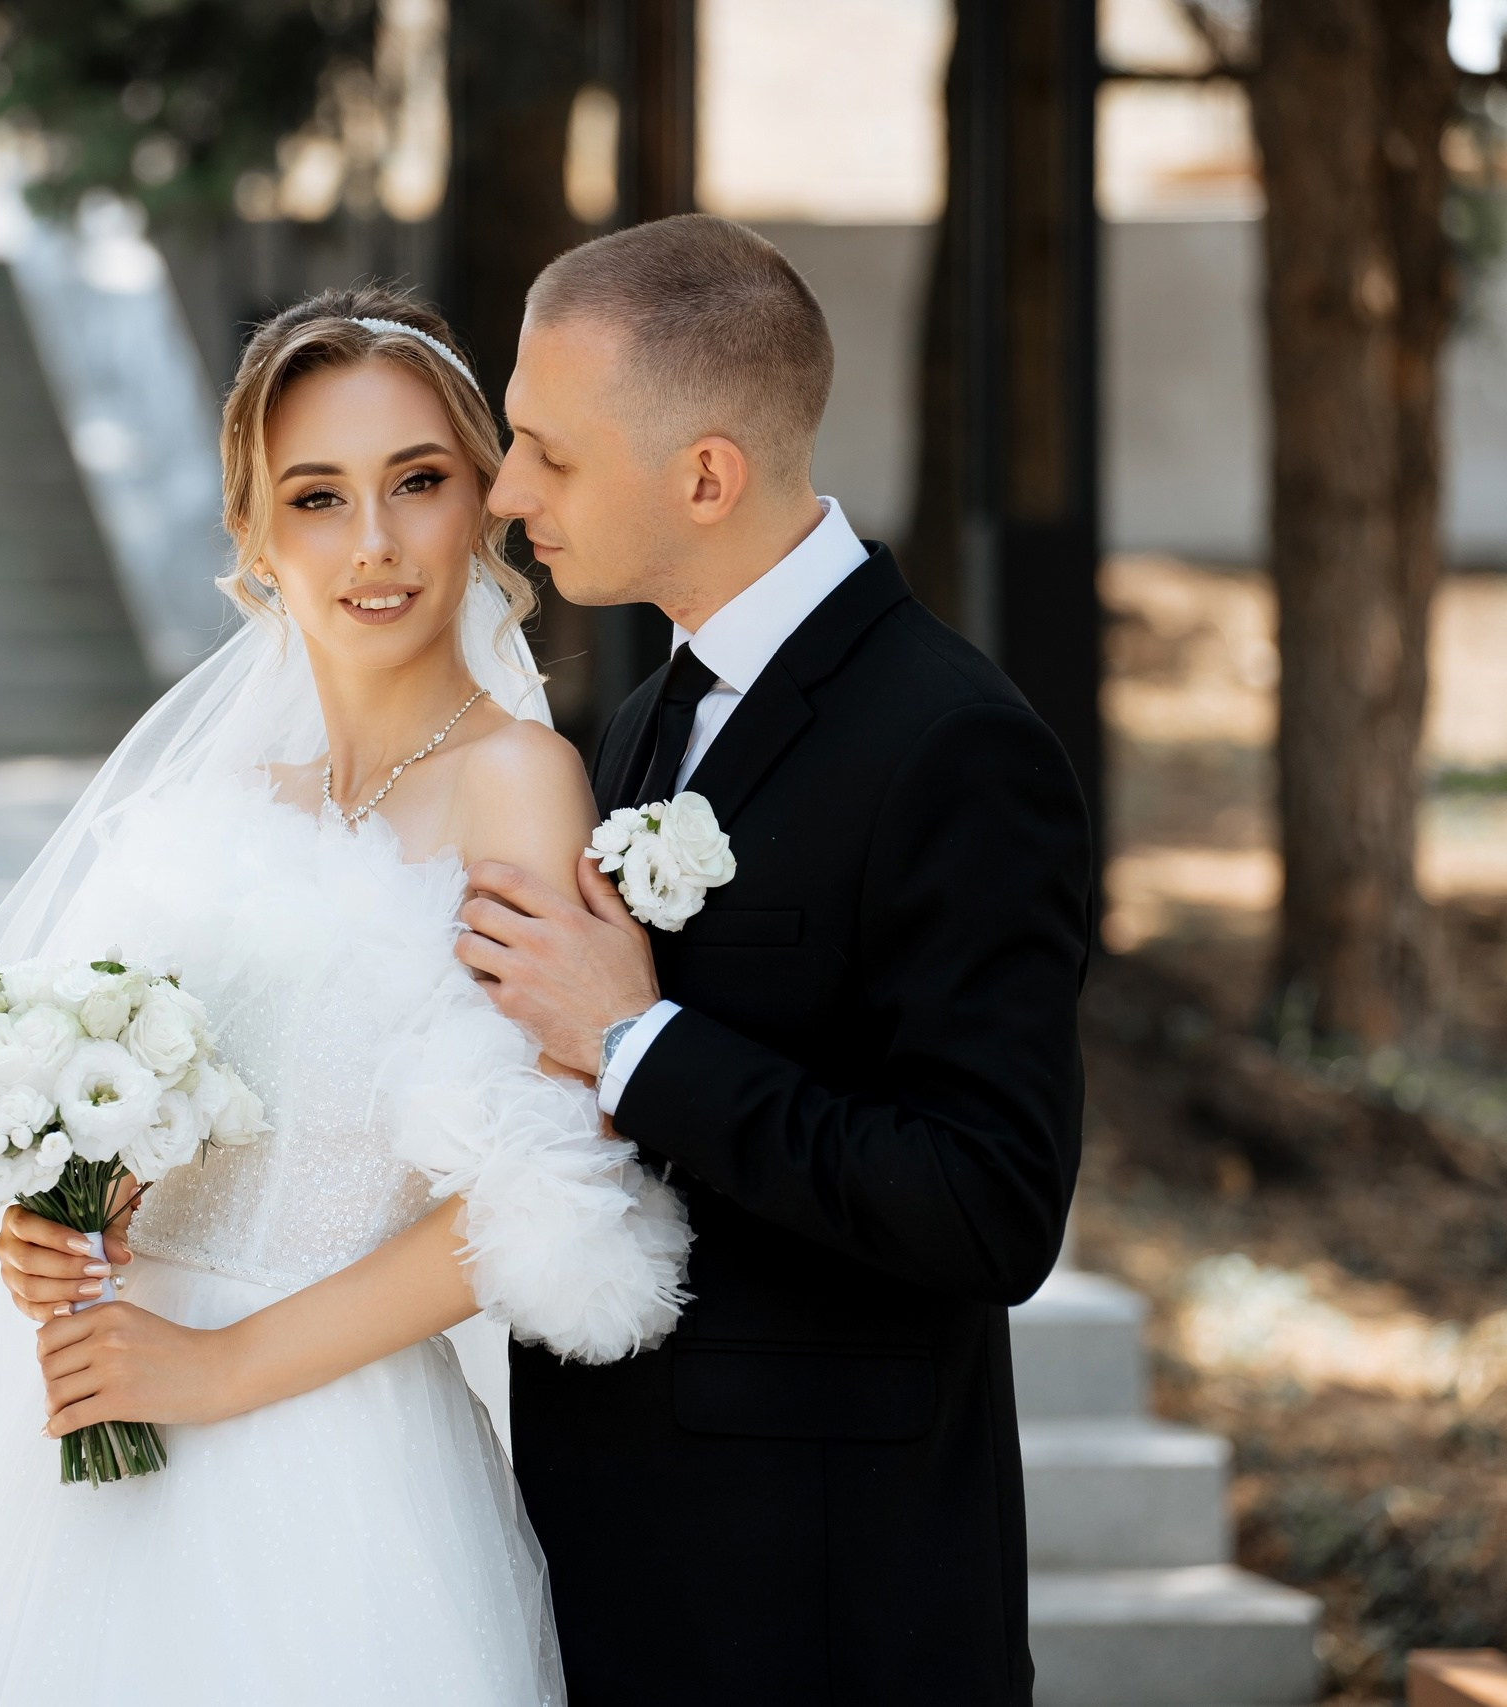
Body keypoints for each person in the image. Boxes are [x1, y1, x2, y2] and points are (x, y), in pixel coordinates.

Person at [0, 287, 690, 1707]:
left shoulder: (518, 783)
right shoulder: (207, 802)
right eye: (318, 498)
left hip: (323, 1465)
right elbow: (122, 1130)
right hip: (99, 1449)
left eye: (419, 483)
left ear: (484, 502)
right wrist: (52, 1223)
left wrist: (219, 1370)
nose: (376, 545)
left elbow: (549, 1179)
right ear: (254, 537)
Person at [458, 214, 1095, 1703]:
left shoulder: (957, 748)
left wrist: (640, 1043)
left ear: (704, 475)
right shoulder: (644, 716)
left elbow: (991, 1208)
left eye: (549, 452)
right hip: (618, 1555)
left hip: (821, 1600)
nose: (504, 491)